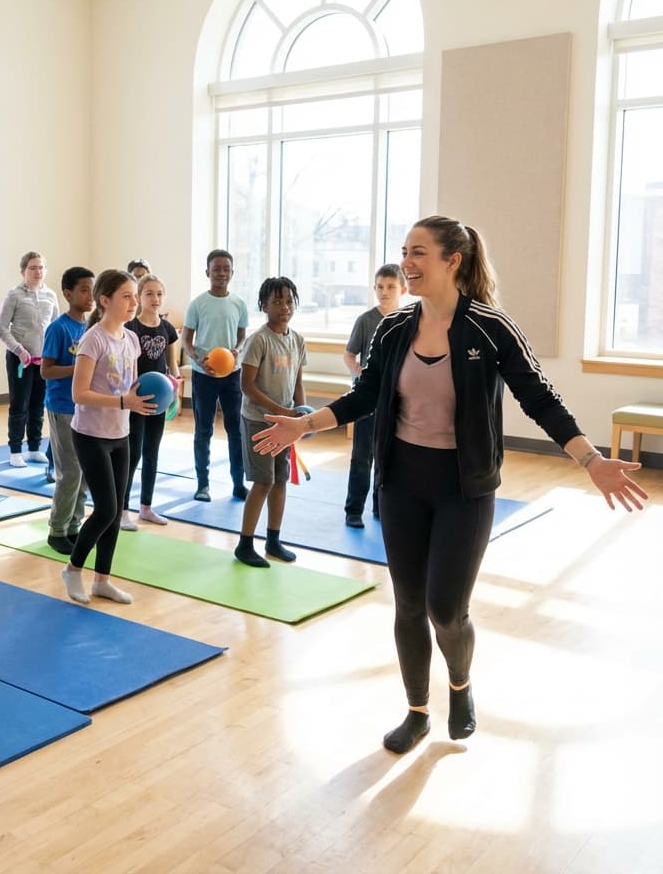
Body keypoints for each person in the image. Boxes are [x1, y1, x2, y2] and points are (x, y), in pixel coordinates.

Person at [252, 216, 648, 755]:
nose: (407, 264)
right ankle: (417, 711)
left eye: (418, 253)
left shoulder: (489, 327)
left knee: (445, 609)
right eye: (404, 252)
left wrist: (589, 459)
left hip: (465, 488)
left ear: (452, 261)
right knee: (409, 603)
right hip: (402, 483)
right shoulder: (394, 329)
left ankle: (460, 688)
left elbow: (540, 397)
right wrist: (304, 424)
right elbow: (363, 396)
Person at [61, 269, 156, 605]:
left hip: (121, 433)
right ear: (105, 301)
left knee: (116, 512)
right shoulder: (93, 340)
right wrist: (122, 401)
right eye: (127, 297)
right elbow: (79, 393)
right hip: (90, 434)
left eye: (135, 296)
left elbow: (128, 385)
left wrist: (151, 396)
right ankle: (72, 570)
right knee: (105, 509)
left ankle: (102, 580)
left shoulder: (130, 339)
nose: (134, 303)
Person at [236, 276, 306, 568]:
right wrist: (281, 411)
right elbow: (247, 387)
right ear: (264, 305)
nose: (284, 306)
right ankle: (244, 544)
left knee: (280, 481)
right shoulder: (259, 339)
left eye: (289, 300)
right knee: (263, 482)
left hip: (286, 424)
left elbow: (298, 382)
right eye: (277, 301)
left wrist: (303, 417)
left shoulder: (297, 340)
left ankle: (273, 540)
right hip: (258, 421)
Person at [343, 264, 408, 528]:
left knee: (387, 455)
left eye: (391, 287)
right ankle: (353, 509)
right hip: (367, 399)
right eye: (380, 286)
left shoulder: (408, 319)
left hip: (394, 399)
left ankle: (381, 506)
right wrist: (360, 374)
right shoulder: (366, 320)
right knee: (362, 455)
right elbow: (349, 355)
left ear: (402, 289)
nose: (385, 291)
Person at [181, 249, 248, 502]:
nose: (221, 273)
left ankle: (238, 484)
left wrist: (238, 349)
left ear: (232, 272)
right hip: (203, 375)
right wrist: (197, 359)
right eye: (217, 268)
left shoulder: (239, 304)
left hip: (233, 374)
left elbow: (242, 336)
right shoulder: (198, 304)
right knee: (203, 430)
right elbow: (186, 340)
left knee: (236, 430)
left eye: (226, 269)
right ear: (207, 272)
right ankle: (202, 484)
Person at [40, 266, 95, 555]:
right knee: (69, 471)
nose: (90, 296)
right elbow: (46, 371)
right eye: (84, 289)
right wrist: (79, 369)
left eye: (92, 289)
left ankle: (75, 525)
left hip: (87, 408)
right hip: (63, 407)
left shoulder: (91, 328)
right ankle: (57, 529)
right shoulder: (58, 328)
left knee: (86, 470)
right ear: (68, 293)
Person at [120, 273, 180, 531]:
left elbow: (172, 363)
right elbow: (128, 364)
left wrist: (174, 388)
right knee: (132, 454)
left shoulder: (167, 328)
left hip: (160, 399)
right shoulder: (132, 327)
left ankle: (146, 506)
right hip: (138, 398)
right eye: (149, 294)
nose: (155, 299)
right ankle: (123, 510)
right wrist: (130, 393)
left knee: (152, 453)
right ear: (139, 297)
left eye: (159, 294)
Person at [0, 251, 59, 468]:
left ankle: (33, 447)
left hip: (44, 361)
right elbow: (1, 327)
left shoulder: (51, 295)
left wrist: (54, 354)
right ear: (23, 271)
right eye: (32, 268)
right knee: (19, 405)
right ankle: (15, 450)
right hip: (20, 361)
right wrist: (19, 349)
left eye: (41, 267)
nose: (37, 271)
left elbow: (56, 326)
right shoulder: (14, 295)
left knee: (38, 405)